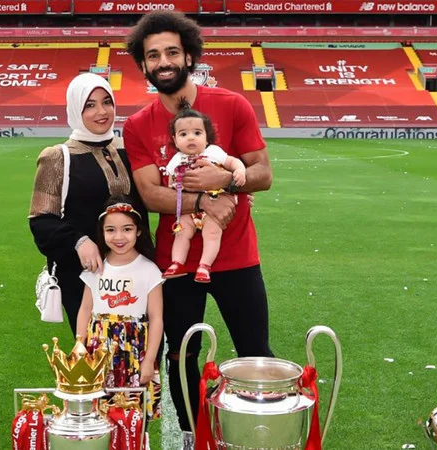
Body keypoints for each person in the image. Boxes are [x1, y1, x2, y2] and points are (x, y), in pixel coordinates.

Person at [122, 10, 274, 447]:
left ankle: (258, 435)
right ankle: (191, 436)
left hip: (237, 256)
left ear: (189, 56)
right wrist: (206, 199)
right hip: (177, 264)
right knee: (181, 356)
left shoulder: (232, 104)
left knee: (254, 350)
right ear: (144, 65)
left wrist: (226, 179)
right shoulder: (137, 125)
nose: (163, 62)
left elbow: (263, 173)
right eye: (153, 55)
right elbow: (150, 195)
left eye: (172, 52)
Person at [29, 72, 145, 335]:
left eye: (107, 102)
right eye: (89, 105)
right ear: (74, 109)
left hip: (135, 272)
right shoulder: (58, 157)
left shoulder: (129, 149)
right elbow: (41, 222)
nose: (101, 112)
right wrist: (79, 241)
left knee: (143, 348)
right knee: (97, 350)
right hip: (85, 278)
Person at [76, 195, 164, 421]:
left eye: (127, 229)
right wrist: (80, 347)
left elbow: (156, 318)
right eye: (110, 230)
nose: (119, 237)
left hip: (134, 351)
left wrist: (149, 360)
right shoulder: (96, 268)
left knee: (133, 414)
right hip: (99, 350)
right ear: (102, 232)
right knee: (100, 413)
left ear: (138, 231)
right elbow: (85, 309)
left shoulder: (149, 270)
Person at [162, 103, 246, 283]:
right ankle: (177, 263)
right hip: (188, 208)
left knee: (212, 233)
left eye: (197, 133)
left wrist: (239, 171)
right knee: (181, 232)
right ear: (175, 140)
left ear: (207, 137)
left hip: (214, 205)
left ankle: (204, 266)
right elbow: (170, 183)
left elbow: (233, 162)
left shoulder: (213, 152)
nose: (191, 138)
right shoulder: (176, 160)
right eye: (183, 134)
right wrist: (175, 184)